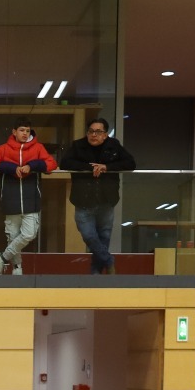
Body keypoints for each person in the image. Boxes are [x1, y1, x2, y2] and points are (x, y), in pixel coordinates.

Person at [58, 117, 137, 275]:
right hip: (83, 199)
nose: (94, 135)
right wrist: (89, 168)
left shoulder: (113, 145)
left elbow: (130, 163)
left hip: (106, 199)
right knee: (88, 235)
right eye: (91, 131)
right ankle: (108, 260)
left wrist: (106, 167)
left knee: (104, 236)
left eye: (98, 132)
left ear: (105, 134)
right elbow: (65, 163)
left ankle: (96, 272)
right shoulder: (78, 145)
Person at [0, 119, 58, 276]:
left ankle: (2, 257)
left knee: (29, 234)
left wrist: (32, 166)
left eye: (28, 131)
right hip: (10, 200)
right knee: (13, 237)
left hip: (32, 200)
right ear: (14, 132)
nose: (25, 133)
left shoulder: (38, 148)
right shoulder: (3, 149)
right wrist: (10, 168)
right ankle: (17, 269)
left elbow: (52, 165)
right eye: (22, 130)